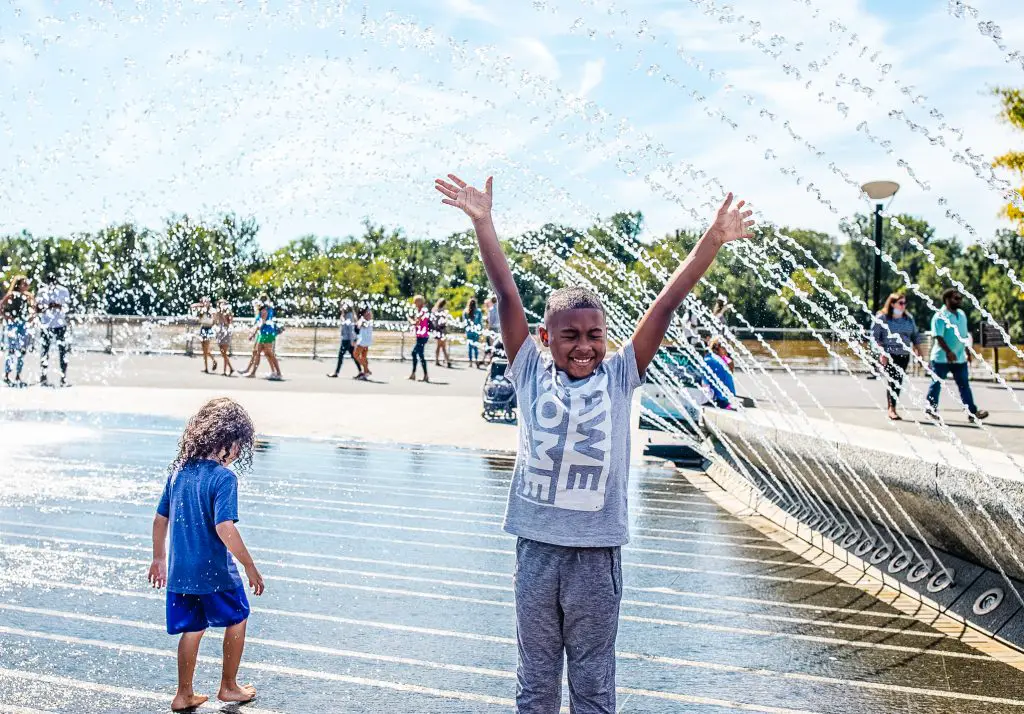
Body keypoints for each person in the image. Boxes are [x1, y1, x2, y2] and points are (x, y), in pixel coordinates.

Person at [435, 172, 753, 712]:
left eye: (594, 335)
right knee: (535, 682)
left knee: (593, 683)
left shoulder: (621, 374)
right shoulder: (530, 373)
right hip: (536, 552)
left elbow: (666, 303)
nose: (584, 347)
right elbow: (506, 293)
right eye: (571, 336)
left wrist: (713, 240)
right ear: (545, 339)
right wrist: (484, 224)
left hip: (596, 559)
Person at [147, 397, 265, 712]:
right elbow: (225, 527)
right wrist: (250, 566)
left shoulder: (179, 472)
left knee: (192, 628)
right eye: (239, 446)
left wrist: (158, 559)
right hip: (215, 572)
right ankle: (229, 686)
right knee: (238, 618)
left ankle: (183, 693)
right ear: (227, 442)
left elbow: (160, 519)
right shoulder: (223, 478)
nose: (238, 453)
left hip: (180, 572)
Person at [926, 288, 988, 422]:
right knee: (936, 384)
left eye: (960, 298)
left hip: (959, 358)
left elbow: (964, 336)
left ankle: (972, 413)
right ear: (947, 300)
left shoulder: (962, 314)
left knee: (964, 385)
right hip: (941, 358)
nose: (959, 301)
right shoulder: (940, 316)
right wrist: (948, 352)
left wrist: (967, 351)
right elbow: (938, 336)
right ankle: (931, 408)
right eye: (956, 298)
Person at [872, 292, 924, 421]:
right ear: (892, 303)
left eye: (905, 303)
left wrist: (920, 353)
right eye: (901, 303)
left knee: (898, 381)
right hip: (890, 354)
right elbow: (875, 337)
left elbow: (915, 336)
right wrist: (882, 352)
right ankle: (891, 409)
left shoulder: (908, 318)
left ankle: (893, 406)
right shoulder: (883, 318)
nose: (903, 306)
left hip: (904, 354)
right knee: (893, 379)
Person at [36, 269, 71, 387]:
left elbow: (67, 307)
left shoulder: (63, 290)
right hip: (46, 324)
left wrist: (56, 305)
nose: (51, 283)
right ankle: (43, 376)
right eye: (49, 281)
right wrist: (46, 306)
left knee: (62, 351)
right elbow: (37, 308)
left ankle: (63, 377)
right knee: (44, 351)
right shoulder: (42, 291)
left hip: (60, 324)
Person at [1, 275, 35, 388]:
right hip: (13, 325)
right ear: (18, 285)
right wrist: (7, 317)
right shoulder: (11, 295)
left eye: (27, 284)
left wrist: (31, 317)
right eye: (24, 284)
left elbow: (34, 309)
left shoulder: (28, 296)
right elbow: (1, 306)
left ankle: (18, 375)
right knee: (12, 350)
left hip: (23, 325)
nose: (26, 285)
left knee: (22, 350)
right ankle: (6, 374)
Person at [244, 304, 283, 381]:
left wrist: (253, 334)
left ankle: (278, 373)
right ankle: (253, 373)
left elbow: (261, 324)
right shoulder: (267, 311)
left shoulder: (264, 311)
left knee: (269, 354)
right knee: (260, 353)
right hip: (264, 334)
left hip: (267, 335)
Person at [703, 336, 736, 409]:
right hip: (726, 399)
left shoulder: (709, 359)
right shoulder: (719, 361)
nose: (726, 350)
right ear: (717, 348)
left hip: (718, 399)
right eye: (724, 348)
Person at [328, 300, 357, 378]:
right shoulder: (345, 315)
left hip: (347, 340)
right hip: (346, 339)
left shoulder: (349, 315)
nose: (341, 307)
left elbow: (351, 329)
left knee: (341, 356)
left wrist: (352, 341)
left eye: (342, 305)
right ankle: (361, 371)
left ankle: (336, 372)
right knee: (353, 356)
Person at [191, 296, 218, 374]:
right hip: (203, 328)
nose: (205, 303)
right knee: (204, 350)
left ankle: (212, 362)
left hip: (209, 329)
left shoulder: (212, 310)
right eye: (203, 301)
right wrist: (201, 305)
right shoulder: (202, 309)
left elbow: (214, 320)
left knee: (206, 348)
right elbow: (192, 306)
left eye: (206, 301)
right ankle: (208, 366)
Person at [408, 295, 430, 382]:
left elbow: (416, 323)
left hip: (423, 336)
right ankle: (417, 374)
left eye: (416, 302)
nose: (415, 304)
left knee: (415, 353)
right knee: (419, 355)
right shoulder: (421, 310)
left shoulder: (423, 311)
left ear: (420, 302)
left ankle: (423, 375)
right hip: (420, 336)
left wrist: (410, 320)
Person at [214, 300, 236, 377]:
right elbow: (215, 322)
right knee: (222, 352)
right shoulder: (218, 312)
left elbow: (228, 323)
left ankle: (226, 370)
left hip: (226, 332)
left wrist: (223, 316)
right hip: (220, 332)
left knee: (224, 352)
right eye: (220, 304)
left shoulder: (228, 313)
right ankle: (229, 368)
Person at [353, 306, 374, 381]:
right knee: (363, 357)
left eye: (369, 312)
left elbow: (358, 326)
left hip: (362, 341)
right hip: (367, 342)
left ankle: (366, 369)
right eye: (367, 312)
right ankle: (365, 373)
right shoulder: (368, 321)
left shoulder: (364, 320)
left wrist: (359, 323)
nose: (369, 313)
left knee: (355, 355)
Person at [463, 298, 483, 368]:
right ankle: (476, 360)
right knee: (476, 347)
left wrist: (465, 331)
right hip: (476, 331)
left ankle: (470, 362)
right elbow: (480, 323)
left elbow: (465, 323)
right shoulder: (478, 311)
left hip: (469, 332)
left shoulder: (466, 312)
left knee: (470, 347)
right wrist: (481, 331)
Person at [433, 297, 452, 368]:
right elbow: (445, 322)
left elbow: (434, 321)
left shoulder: (435, 310)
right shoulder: (443, 311)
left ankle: (438, 360)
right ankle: (447, 361)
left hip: (437, 330)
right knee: (443, 346)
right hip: (442, 330)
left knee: (439, 346)